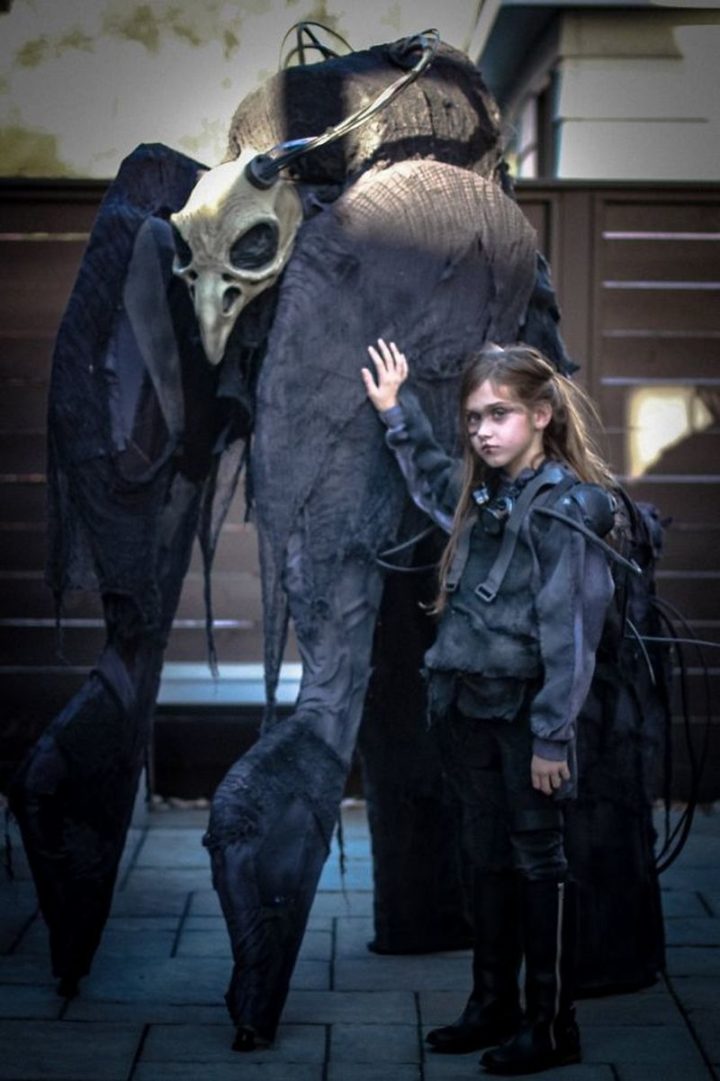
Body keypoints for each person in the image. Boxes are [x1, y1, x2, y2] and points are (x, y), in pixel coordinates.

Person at [361, 338, 618, 1076]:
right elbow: (432, 476)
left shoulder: (564, 509)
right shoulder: (485, 495)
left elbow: (573, 631)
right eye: (473, 417)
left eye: (499, 414)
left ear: (541, 414)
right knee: (485, 854)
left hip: (527, 719)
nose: (482, 430)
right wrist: (395, 410)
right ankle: (492, 1004)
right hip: (470, 710)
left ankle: (552, 1024)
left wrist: (552, 737)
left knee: (539, 858)